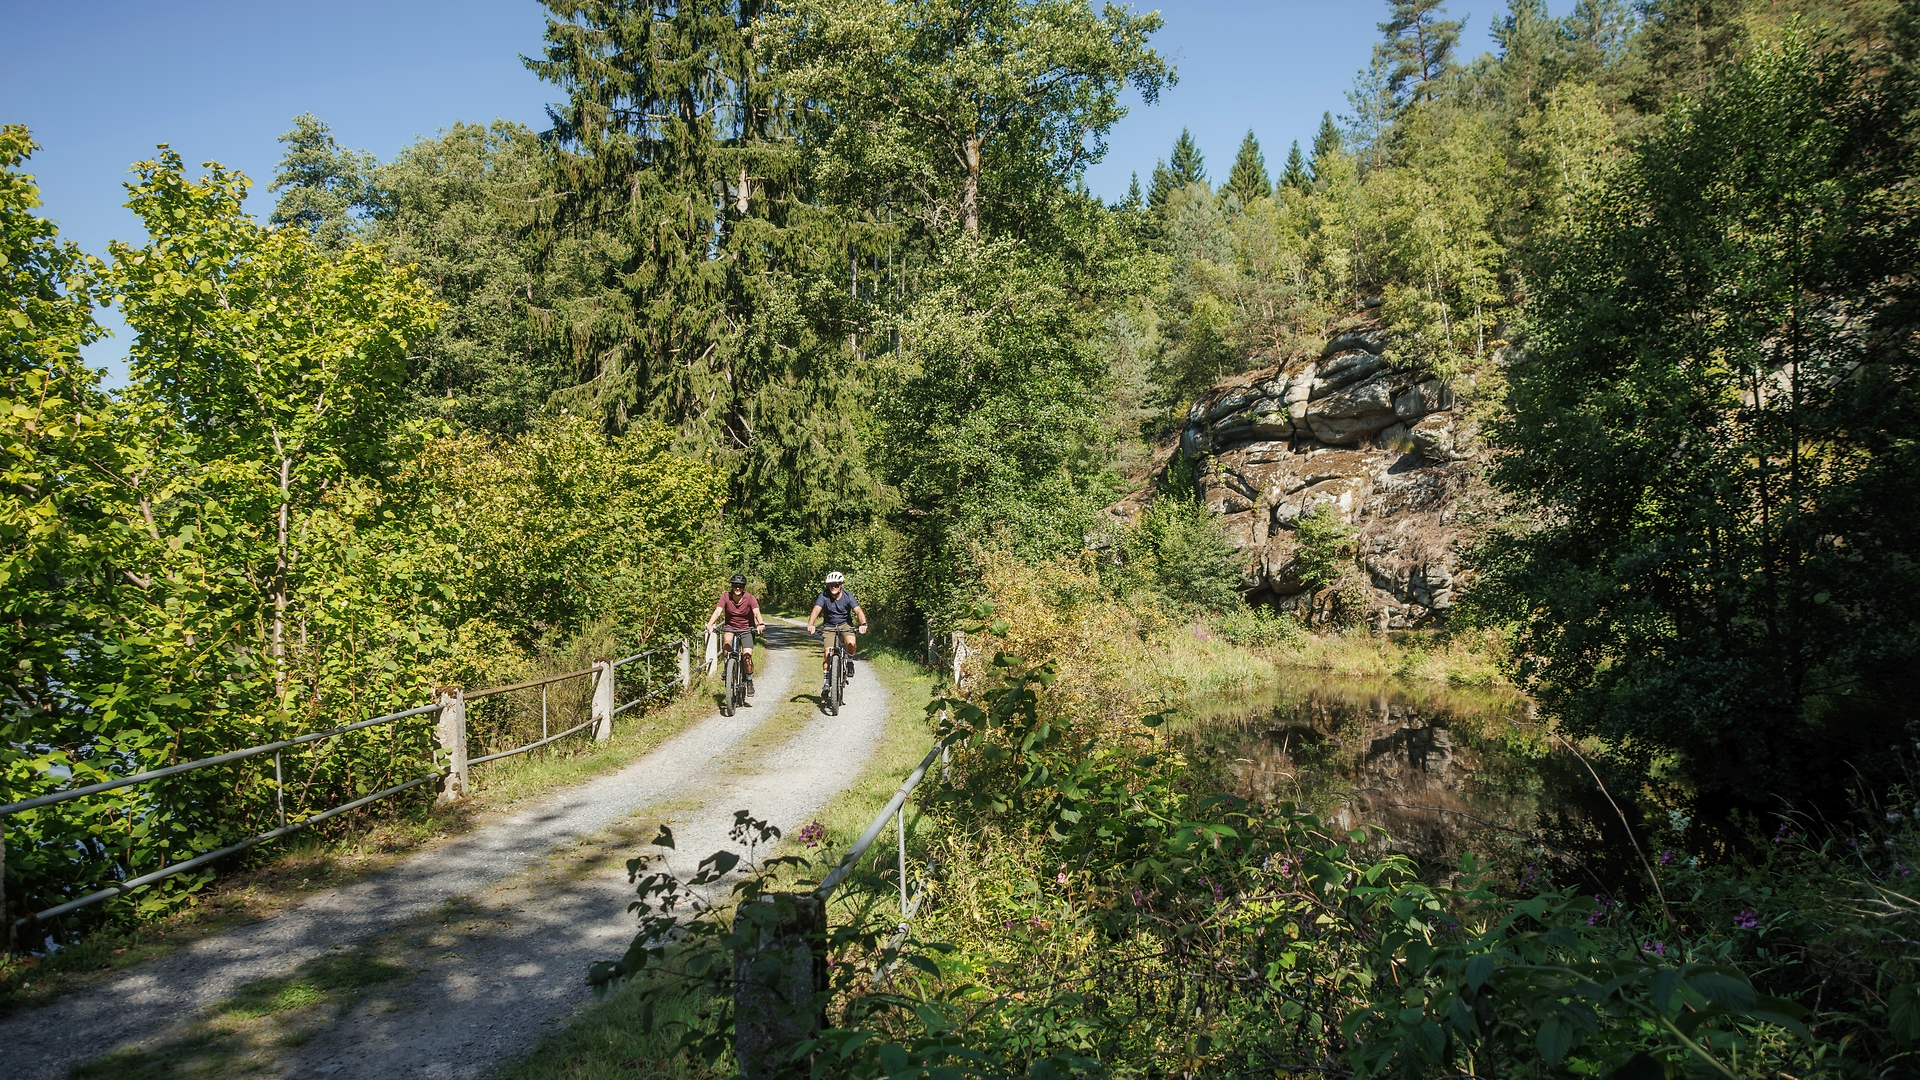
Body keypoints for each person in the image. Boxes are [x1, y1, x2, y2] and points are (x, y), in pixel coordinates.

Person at [805, 571, 867, 698]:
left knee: (851, 643)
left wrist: (863, 624)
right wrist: (811, 624)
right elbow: (816, 610)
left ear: (841, 585)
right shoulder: (824, 595)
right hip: (829, 626)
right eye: (830, 585)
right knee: (828, 652)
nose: (833, 587)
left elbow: (858, 611)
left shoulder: (847, 596)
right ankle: (826, 682)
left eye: (836, 584)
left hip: (845, 624)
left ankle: (849, 661)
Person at [705, 574, 767, 696]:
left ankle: (749, 681)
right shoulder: (725, 597)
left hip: (747, 629)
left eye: (740, 586)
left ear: (744, 587)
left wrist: (761, 624)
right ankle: (727, 667)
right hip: (730, 628)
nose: (737, 588)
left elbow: (756, 612)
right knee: (727, 642)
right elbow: (718, 611)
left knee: (747, 657)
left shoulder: (750, 598)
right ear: (732, 586)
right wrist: (710, 624)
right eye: (735, 585)